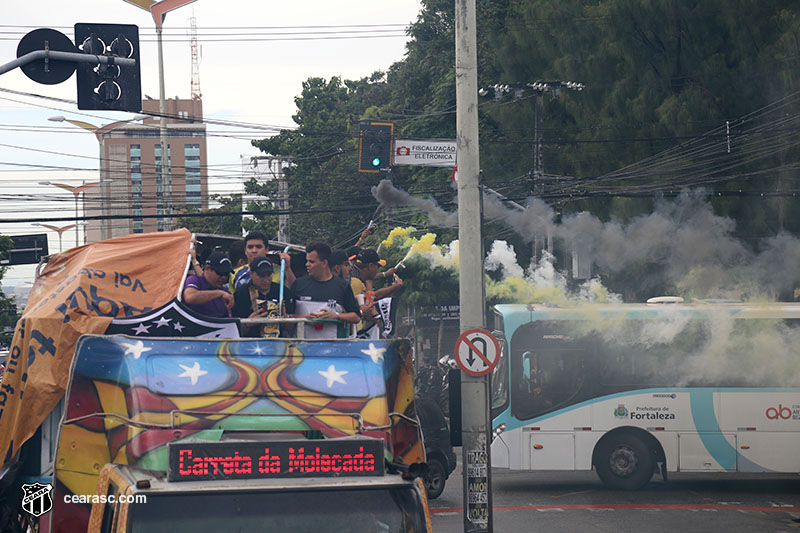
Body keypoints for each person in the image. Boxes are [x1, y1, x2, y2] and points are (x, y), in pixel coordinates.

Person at [292, 242, 360, 338]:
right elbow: (288, 317)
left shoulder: (342, 286)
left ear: (324, 263)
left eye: (312, 262)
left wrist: (336, 316)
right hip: (301, 349)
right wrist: (305, 318)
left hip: (332, 349)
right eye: (307, 261)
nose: (307, 264)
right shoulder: (298, 284)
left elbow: (356, 317)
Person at [232, 256, 292, 337]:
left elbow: (291, 328)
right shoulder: (241, 294)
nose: (266, 280)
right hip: (250, 343)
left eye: (269, 275)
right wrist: (248, 323)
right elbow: (234, 331)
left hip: (278, 343)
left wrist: (285, 317)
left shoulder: (283, 292)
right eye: (261, 275)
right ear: (251, 273)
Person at [182, 251, 234, 318]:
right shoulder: (195, 280)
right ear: (207, 268)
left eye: (226, 274)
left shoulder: (225, 292)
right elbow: (190, 297)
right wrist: (219, 293)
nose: (223, 277)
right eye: (220, 273)